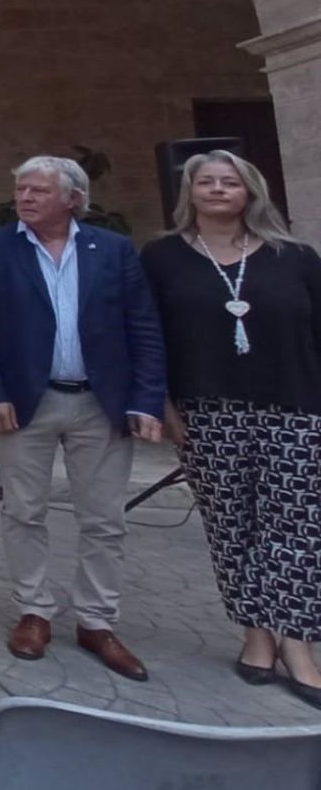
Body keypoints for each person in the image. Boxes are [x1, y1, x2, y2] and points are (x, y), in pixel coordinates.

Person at [0, 155, 166, 681]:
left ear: (73, 198)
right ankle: (34, 610)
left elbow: (142, 326)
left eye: (38, 191)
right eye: (21, 190)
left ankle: (97, 620)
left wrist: (145, 399)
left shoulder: (113, 250)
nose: (25, 199)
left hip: (100, 401)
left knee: (104, 517)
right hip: (26, 402)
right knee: (23, 510)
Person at [141, 150, 321, 708]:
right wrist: (162, 403)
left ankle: (298, 644)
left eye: (230, 182)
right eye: (206, 182)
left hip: (294, 406)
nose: (218, 190)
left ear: (251, 192)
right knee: (230, 525)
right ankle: (254, 636)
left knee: (296, 527)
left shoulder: (295, 257)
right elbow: (149, 335)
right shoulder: (163, 257)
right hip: (208, 409)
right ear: (189, 192)